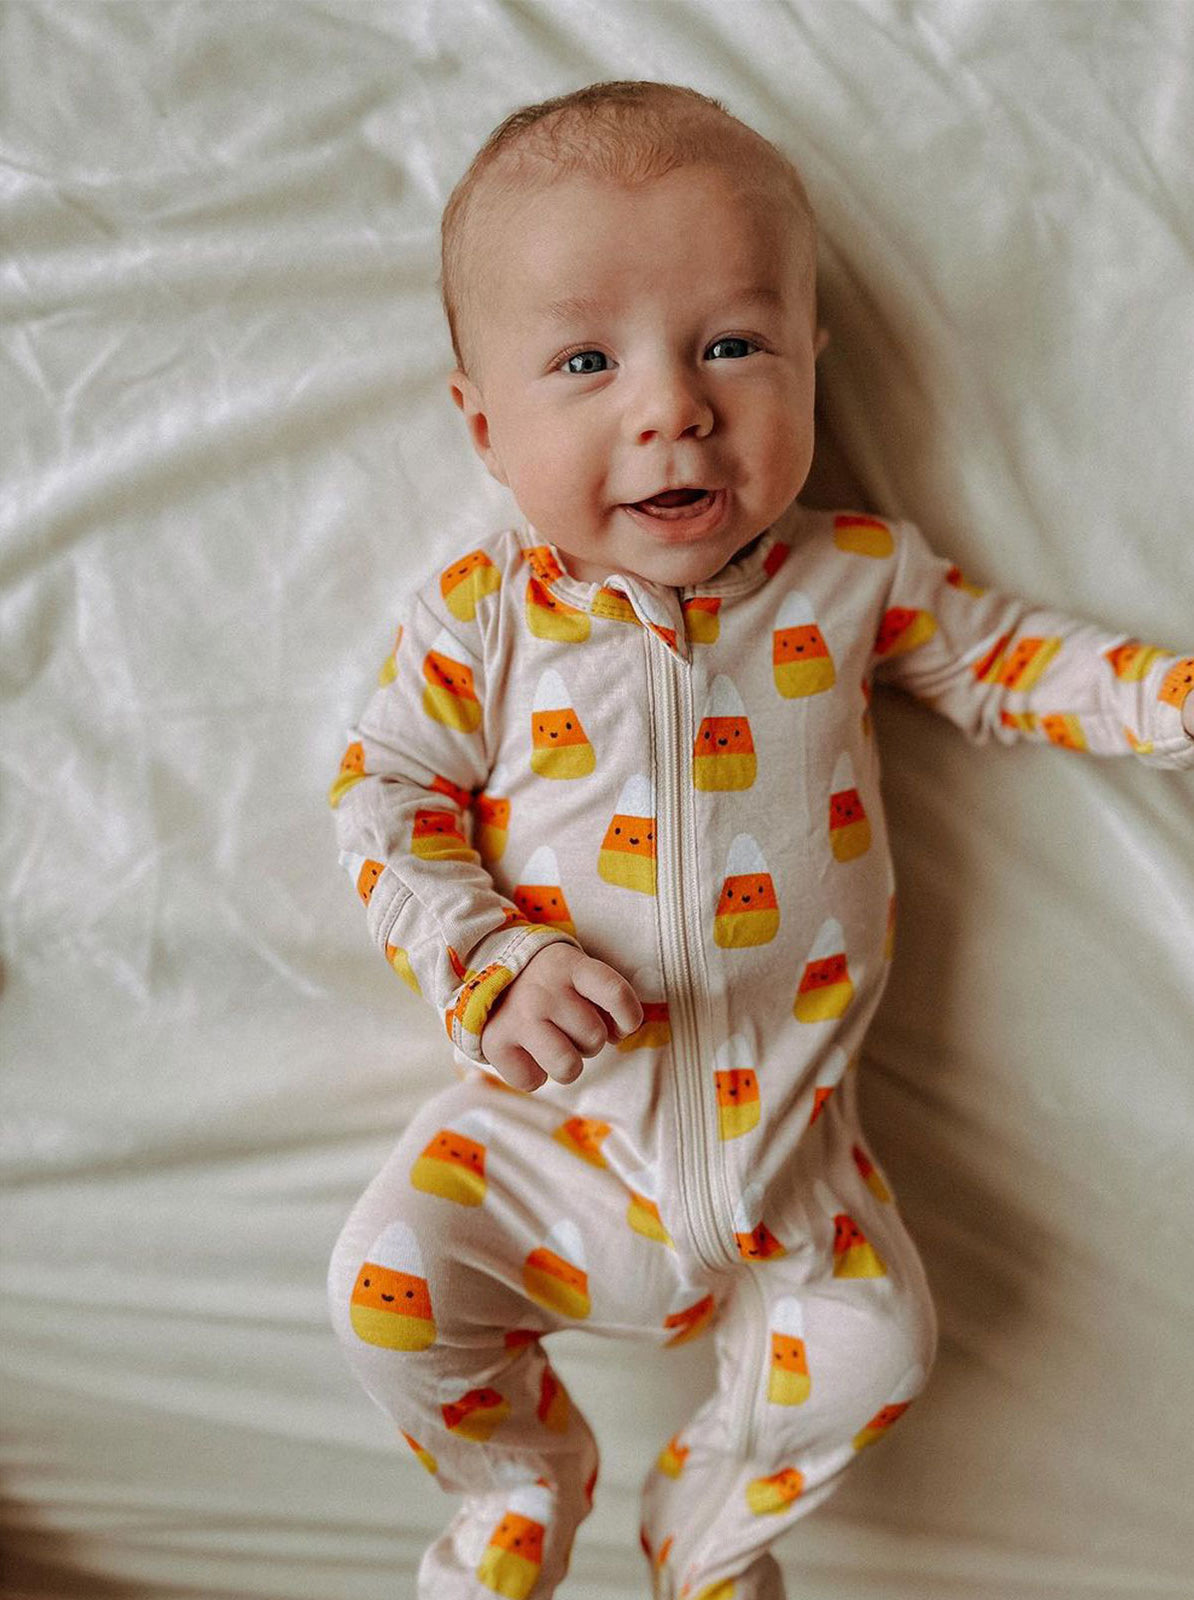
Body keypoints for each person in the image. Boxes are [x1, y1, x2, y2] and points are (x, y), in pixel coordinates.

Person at [326, 80, 1194, 1600]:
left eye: (731, 344)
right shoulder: (485, 616)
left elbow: (1004, 661)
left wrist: (1167, 700)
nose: (672, 406)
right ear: (483, 424)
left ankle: (710, 1531)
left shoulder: (851, 576)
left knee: (876, 1349)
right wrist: (489, 962)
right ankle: (516, 1482)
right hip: (555, 1134)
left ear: (810, 361)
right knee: (385, 1292)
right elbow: (385, 796)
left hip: (793, 1149)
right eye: (586, 362)